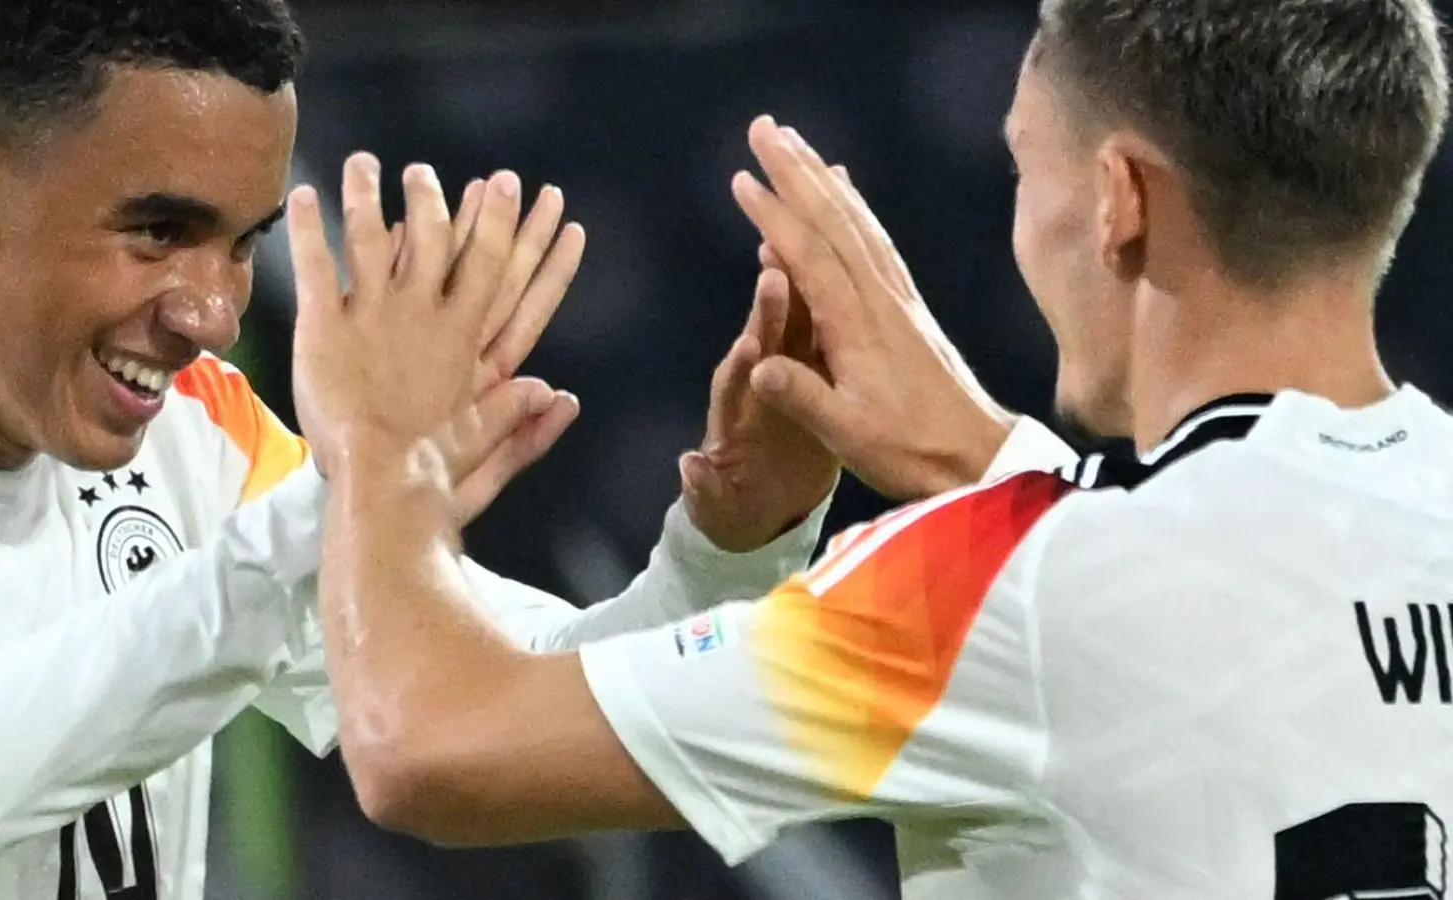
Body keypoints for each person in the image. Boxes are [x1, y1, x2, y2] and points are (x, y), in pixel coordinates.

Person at [289, 0, 1453, 896]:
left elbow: (425, 746)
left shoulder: (994, 586)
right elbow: (1199, 599)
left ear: (1117, 202)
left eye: (1022, 161)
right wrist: (979, 455)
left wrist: (379, 439)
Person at [0, 1, 844, 897]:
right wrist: (339, 495)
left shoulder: (203, 431)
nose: (210, 314)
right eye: (157, 231)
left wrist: (733, 545)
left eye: (241, 246)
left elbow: (531, 707)